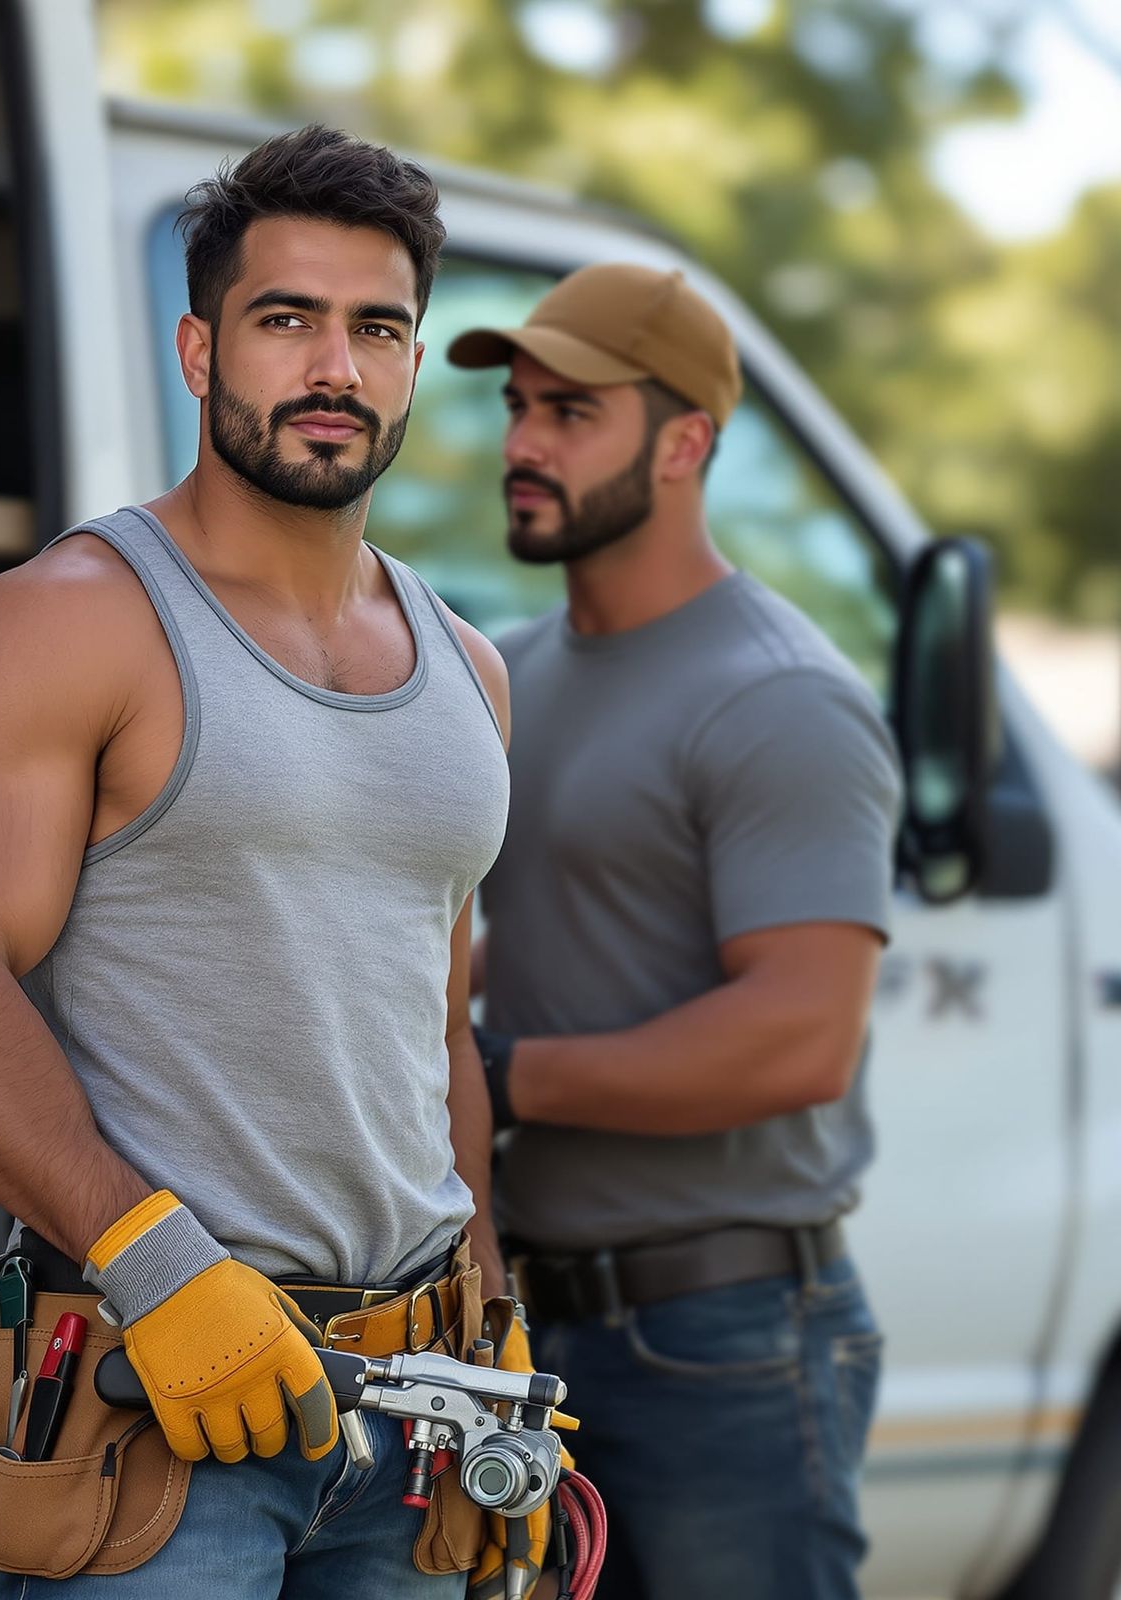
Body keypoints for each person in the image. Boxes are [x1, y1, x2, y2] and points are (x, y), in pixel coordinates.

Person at [0, 125, 552, 1600]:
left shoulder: (470, 674)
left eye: (377, 327)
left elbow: (435, 1029)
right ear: (198, 350)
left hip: (414, 1410)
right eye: (284, 319)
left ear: (415, 363)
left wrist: (490, 1316)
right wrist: (152, 1261)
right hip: (153, 1412)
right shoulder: (67, 623)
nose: (335, 366)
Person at [448, 262, 903, 1600]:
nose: (524, 446)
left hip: (727, 1345)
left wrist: (500, 1079)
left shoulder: (780, 700)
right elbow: (512, 943)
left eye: (571, 413)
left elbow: (799, 1040)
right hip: (532, 1330)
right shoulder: (511, 673)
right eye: (519, 408)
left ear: (688, 442)